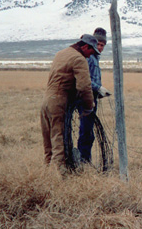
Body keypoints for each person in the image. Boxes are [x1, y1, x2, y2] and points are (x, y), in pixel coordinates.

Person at [40, 34, 99, 174]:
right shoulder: (79, 59)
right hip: (59, 102)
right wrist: (89, 107)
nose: (90, 56)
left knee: (48, 141)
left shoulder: (62, 53)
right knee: (59, 140)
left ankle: (45, 174)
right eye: (91, 52)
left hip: (46, 101)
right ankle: (59, 176)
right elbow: (84, 86)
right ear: (85, 47)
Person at [77, 28, 111, 163]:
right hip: (85, 97)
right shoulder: (89, 57)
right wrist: (98, 88)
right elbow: (84, 79)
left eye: (103, 45)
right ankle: (83, 161)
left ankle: (85, 159)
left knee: (88, 131)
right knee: (86, 131)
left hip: (92, 96)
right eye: (98, 44)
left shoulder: (95, 58)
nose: (100, 47)